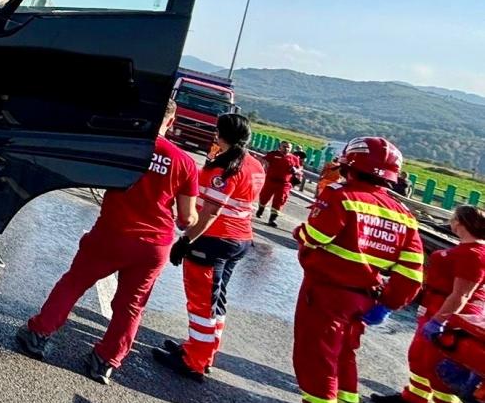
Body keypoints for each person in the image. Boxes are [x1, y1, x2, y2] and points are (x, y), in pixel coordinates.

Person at [15, 99, 198, 383]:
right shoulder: (185, 163)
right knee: (131, 306)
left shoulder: (128, 146)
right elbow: (186, 218)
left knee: (75, 282)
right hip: (154, 245)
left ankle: (38, 334)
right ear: (171, 122)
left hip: (113, 232)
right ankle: (105, 361)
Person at [268, 137, 424, 403]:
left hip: (327, 294)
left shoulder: (342, 197)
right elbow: (412, 275)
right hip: (365, 300)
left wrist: (301, 233)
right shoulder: (405, 215)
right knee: (345, 357)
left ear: (350, 166)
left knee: (317, 355)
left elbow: (316, 236)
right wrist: (387, 304)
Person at [152, 112, 266, 382]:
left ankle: (195, 361)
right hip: (238, 240)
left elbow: (209, 213)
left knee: (202, 302)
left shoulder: (224, 170)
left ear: (220, 134)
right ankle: (204, 350)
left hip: (213, 240)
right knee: (217, 300)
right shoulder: (255, 166)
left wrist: (186, 240)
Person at [370, 204, 485, 403]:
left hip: (448, 312)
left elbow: (461, 294)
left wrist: (440, 321)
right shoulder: (466, 250)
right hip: (435, 306)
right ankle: (413, 398)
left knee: (438, 367)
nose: (451, 223)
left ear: (461, 223)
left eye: (453, 219)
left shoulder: (474, 255)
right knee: (419, 357)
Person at [256, 140, 303, 227]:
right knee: (264, 197)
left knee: (280, 200)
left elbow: (299, 168)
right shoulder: (273, 154)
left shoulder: (294, 158)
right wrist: (263, 168)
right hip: (271, 180)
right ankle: (261, 208)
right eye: (284, 146)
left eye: (288, 147)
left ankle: (272, 219)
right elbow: (263, 160)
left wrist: (296, 170)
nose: (286, 148)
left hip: (284, 183)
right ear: (279, 147)